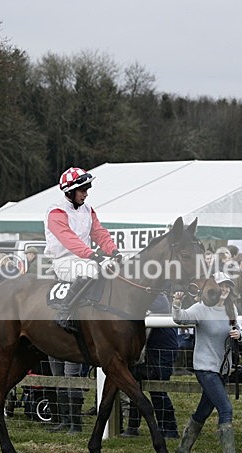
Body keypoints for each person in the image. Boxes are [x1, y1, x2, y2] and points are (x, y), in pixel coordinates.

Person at [172, 272, 242, 453]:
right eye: (220, 285)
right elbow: (179, 319)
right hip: (205, 369)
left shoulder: (231, 308)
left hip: (223, 369)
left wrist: (239, 335)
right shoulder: (201, 308)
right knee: (226, 409)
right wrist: (177, 303)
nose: (224, 289)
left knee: (204, 410)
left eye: (227, 285)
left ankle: (183, 449)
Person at [44, 167, 121, 330]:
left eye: (87, 189)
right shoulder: (56, 212)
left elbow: (99, 233)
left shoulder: (88, 209)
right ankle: (63, 314)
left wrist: (114, 251)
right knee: (90, 270)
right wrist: (93, 255)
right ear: (70, 191)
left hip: (85, 258)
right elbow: (70, 240)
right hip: (63, 261)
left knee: (114, 268)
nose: (86, 194)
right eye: (82, 190)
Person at [121, 294, 180, 439]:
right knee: (134, 387)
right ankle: (133, 426)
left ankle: (170, 428)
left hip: (161, 349)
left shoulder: (158, 298)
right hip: (147, 350)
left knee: (158, 390)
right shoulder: (148, 296)